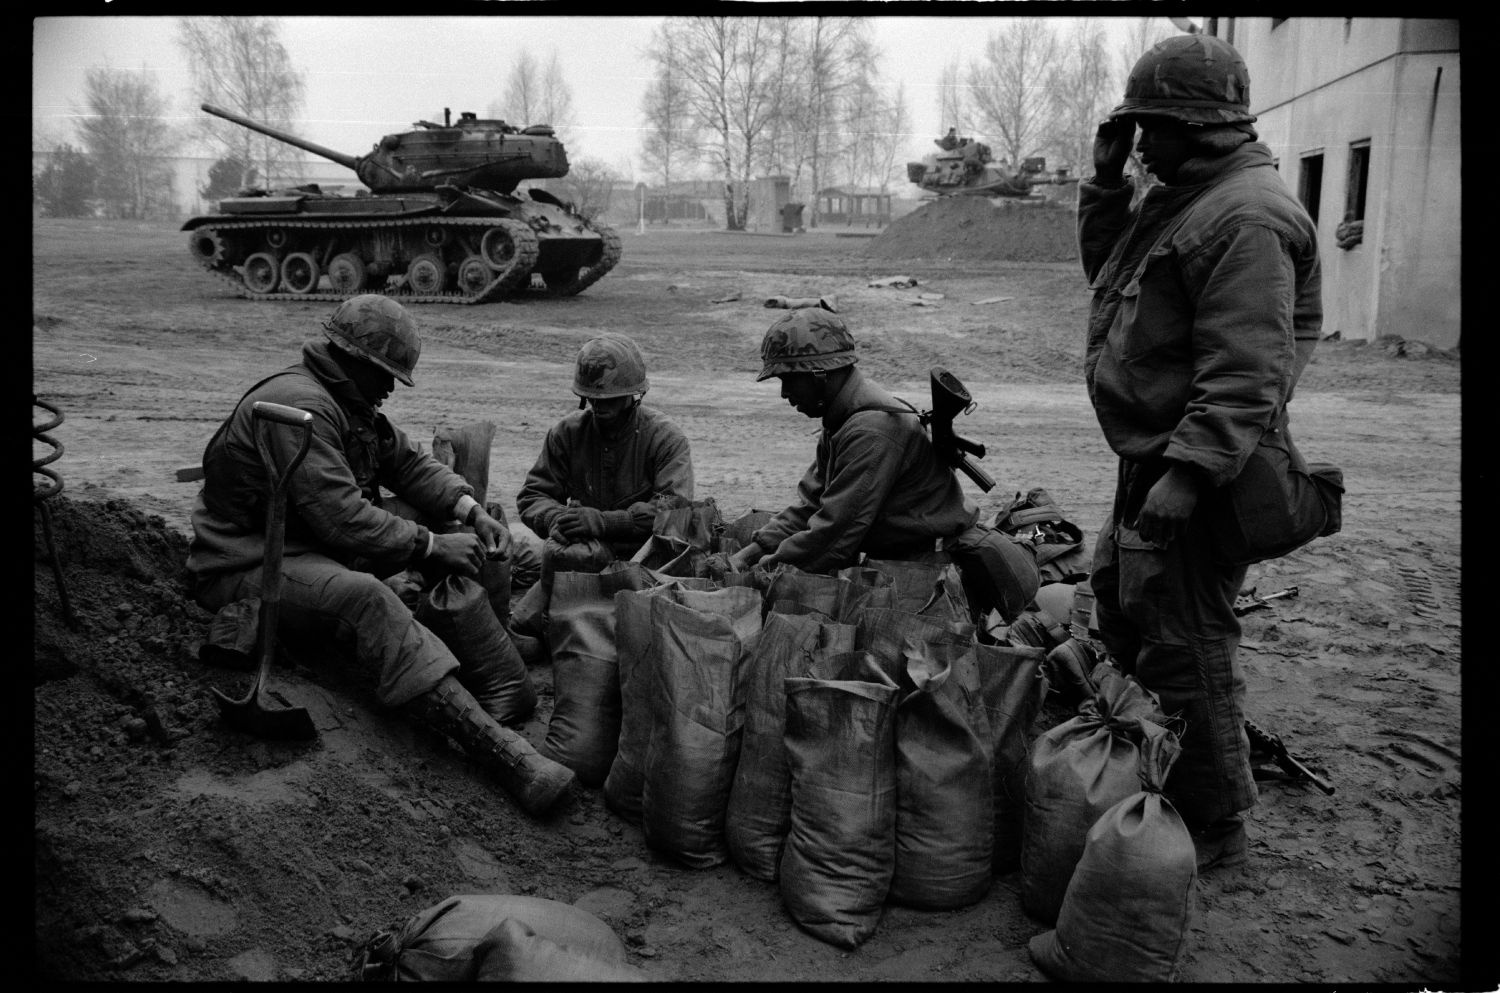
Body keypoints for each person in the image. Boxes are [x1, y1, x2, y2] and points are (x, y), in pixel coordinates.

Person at [1077, 34, 1323, 872]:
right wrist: (1107, 184)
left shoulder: (1244, 215)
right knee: (1125, 610)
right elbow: (1111, 282)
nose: (1141, 142)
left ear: (1199, 125)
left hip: (1197, 470)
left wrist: (1185, 476)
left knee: (1185, 641)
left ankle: (1213, 826)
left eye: (1151, 126)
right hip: (1160, 458)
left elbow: (1248, 367)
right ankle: (1149, 783)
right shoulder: (1192, 197)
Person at [186, 294, 575, 816]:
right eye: (385, 373)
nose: (391, 387)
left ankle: (490, 644)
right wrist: (433, 545)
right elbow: (341, 517)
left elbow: (410, 466)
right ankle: (506, 756)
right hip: (248, 563)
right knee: (368, 597)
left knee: (433, 519)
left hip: (311, 547)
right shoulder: (297, 407)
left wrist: (468, 510)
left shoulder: (348, 403)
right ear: (353, 360)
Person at [725, 308, 1039, 623]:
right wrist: (750, 554)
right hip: (904, 565)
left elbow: (833, 538)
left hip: (929, 576)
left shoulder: (871, 429)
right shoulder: (843, 418)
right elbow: (809, 508)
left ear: (818, 374)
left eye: (788, 379)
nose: (784, 394)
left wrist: (759, 575)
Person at [515, 332, 695, 566]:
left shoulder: (665, 438)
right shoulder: (568, 433)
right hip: (587, 549)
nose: (598, 405)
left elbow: (674, 511)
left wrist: (605, 522)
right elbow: (534, 494)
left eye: (609, 399)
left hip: (647, 555)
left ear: (633, 395)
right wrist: (558, 520)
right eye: (591, 398)